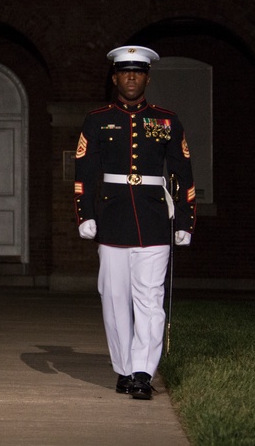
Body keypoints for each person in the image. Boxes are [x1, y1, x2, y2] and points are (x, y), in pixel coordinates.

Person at [74, 45, 196, 400]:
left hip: (155, 218)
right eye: (125, 71)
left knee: (149, 299)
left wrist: (185, 220)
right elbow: (84, 173)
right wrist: (86, 214)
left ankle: (143, 371)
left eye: (138, 72)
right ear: (115, 77)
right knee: (113, 298)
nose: (131, 77)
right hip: (112, 219)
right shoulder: (97, 119)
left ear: (147, 77)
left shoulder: (166, 120)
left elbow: (183, 174)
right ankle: (124, 369)